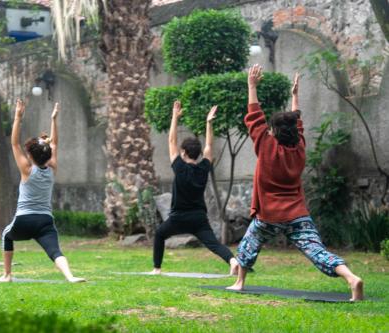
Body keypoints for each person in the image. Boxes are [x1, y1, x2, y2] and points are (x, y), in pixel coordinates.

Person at [227, 65, 363, 301]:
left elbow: (254, 116)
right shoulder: (299, 148)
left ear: (272, 132)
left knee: (249, 244)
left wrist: (252, 86)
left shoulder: (266, 146)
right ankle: (351, 278)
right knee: (317, 251)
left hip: (269, 215)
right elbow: (296, 123)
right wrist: (295, 96)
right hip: (298, 214)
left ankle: (239, 282)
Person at [0, 99, 85, 283]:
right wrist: (53, 120)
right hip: (45, 221)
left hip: (24, 219)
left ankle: (7, 275)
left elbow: (14, 144)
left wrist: (17, 117)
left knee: (6, 234)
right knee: (55, 251)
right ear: (47, 155)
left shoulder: (27, 170)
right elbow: (55, 145)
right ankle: (70, 276)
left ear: (30, 155)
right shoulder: (52, 169)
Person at [151, 100, 239, 275]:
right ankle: (233, 260)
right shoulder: (203, 168)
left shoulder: (179, 166)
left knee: (160, 234)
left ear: (183, 152)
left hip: (178, 218)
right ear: (198, 154)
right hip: (199, 218)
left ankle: (157, 269)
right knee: (213, 244)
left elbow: (171, 140)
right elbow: (209, 146)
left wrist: (175, 116)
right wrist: (209, 122)